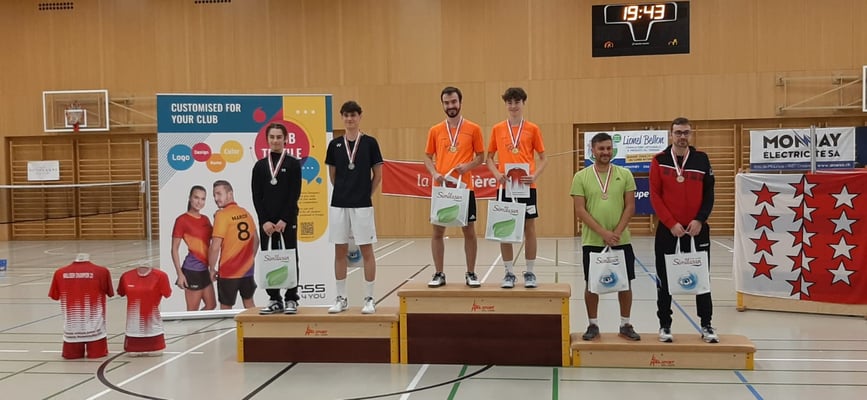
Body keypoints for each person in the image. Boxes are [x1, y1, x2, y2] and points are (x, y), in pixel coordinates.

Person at [650, 117, 718, 344]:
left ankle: (706, 325)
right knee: (664, 277)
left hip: (697, 229)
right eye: (678, 132)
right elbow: (655, 196)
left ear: (691, 134)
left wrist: (700, 220)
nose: (682, 137)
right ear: (671, 134)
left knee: (702, 277)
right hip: (668, 230)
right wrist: (670, 223)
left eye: (686, 132)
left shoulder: (701, 159)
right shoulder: (659, 160)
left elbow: (709, 193)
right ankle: (665, 325)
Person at [571, 133, 641, 341]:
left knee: (625, 284)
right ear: (592, 150)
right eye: (601, 148)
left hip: (621, 239)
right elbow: (580, 210)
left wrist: (616, 233)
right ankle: (593, 325)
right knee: (591, 284)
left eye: (609, 148)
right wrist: (604, 233)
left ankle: (625, 324)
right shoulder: (580, 177)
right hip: (593, 241)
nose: (605, 152)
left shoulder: (625, 174)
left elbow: (630, 206)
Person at [324, 100, 384, 314]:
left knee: (366, 250)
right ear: (342, 117)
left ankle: (369, 298)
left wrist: (365, 195)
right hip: (339, 205)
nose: (350, 119)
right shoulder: (334, 145)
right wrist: (344, 192)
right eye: (346, 115)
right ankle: (341, 298)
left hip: (362, 205)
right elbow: (333, 176)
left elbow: (378, 175)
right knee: (339, 250)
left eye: (353, 115)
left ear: (359, 117)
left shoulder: (370, 143)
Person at [486, 87, 548, 289]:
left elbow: (544, 158)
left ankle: (530, 272)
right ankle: (509, 273)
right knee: (505, 229)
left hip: (526, 187)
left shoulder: (532, 129)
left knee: (529, 228)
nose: (513, 106)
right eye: (509, 102)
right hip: (506, 187)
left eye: (517, 102)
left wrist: (534, 176)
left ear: (523, 103)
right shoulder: (497, 129)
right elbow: (489, 158)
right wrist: (497, 175)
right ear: (506, 104)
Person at [424, 86, 485, 288]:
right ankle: (439, 273)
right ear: (442, 104)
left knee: (469, 231)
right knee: (437, 232)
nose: (451, 106)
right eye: (447, 102)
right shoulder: (435, 130)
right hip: (442, 189)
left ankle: (471, 273)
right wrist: (434, 173)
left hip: (464, 189)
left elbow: (481, 156)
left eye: (454, 102)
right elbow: (427, 157)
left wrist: (467, 166)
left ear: (460, 102)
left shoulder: (474, 129)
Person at [252, 123, 302, 315]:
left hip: (287, 221)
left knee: (290, 257)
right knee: (269, 257)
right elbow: (257, 196)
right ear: (267, 139)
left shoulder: (293, 164)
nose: (275, 140)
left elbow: (294, 194)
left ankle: (291, 298)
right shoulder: (260, 166)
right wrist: (264, 220)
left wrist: (284, 219)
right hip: (267, 223)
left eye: (279, 137)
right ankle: (274, 299)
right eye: (272, 137)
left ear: (285, 139)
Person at [48, 253, 114, 359]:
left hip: (71, 330)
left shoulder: (59, 273)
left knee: (71, 357)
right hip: (95, 330)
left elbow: (54, 296)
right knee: (97, 356)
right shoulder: (102, 271)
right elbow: (110, 293)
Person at [209, 180, 259, 310]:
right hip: (247, 271)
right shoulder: (245, 213)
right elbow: (256, 240)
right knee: (249, 304)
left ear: (230, 194)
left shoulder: (222, 215)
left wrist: (212, 268)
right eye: (214, 195)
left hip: (228, 272)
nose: (216, 198)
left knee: (225, 309)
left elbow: (215, 246)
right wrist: (249, 259)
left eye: (219, 194)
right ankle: (255, 325)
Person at [170, 185, 217, 311]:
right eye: (196, 197)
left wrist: (218, 219)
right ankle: (193, 326)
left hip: (204, 270)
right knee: (192, 310)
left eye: (203, 199)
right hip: (192, 270)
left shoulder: (205, 219)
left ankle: (200, 325)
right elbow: (174, 249)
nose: (199, 202)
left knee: (211, 305)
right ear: (190, 198)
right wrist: (180, 274)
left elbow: (215, 239)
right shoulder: (182, 220)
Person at [117, 265, 172, 356]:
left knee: (155, 352)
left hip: (154, 330)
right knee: (132, 353)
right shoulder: (126, 276)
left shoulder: (161, 276)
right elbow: (121, 292)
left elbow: (167, 293)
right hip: (132, 331)